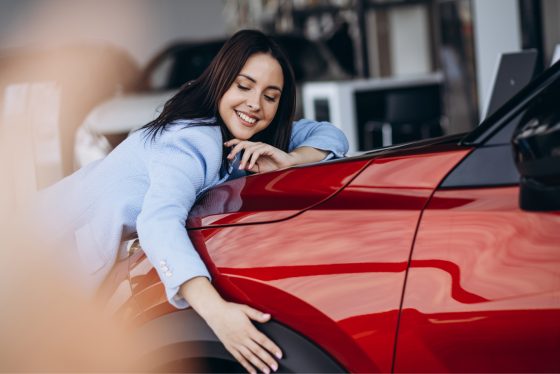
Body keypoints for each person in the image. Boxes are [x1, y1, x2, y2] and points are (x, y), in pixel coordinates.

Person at [36, 29, 348, 373]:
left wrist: (292, 159)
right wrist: (216, 313)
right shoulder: (192, 139)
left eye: (270, 96)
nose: (255, 104)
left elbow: (331, 135)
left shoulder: (252, 135)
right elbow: (158, 222)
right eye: (244, 87)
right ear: (220, 82)